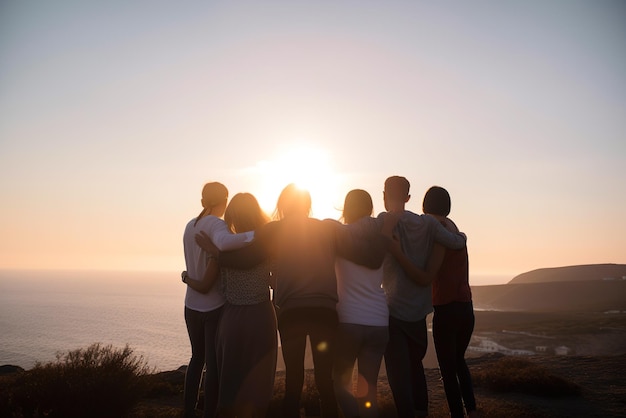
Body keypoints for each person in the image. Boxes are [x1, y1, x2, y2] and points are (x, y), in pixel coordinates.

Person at [196, 183, 395, 418]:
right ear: (308, 205)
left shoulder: (275, 230)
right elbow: (368, 257)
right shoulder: (326, 228)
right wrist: (384, 234)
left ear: (282, 204)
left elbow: (247, 258)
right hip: (324, 312)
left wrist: (216, 252)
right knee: (325, 381)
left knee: (293, 380)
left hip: (291, 313)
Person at [378, 176, 467, 418]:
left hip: (393, 310)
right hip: (419, 313)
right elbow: (456, 242)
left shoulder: (383, 221)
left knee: (398, 375)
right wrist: (464, 237)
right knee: (416, 368)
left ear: (384, 195)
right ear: (408, 198)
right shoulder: (427, 224)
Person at [184, 192, 277, 418]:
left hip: (232, 318)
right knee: (260, 377)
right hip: (261, 315)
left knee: (230, 378)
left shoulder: (222, 248)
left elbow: (214, 281)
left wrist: (191, 273)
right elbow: (274, 279)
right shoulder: (267, 243)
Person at [332, 189, 391, 418]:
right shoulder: (381, 239)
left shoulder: (340, 236)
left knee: (341, 385)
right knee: (369, 392)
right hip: (378, 321)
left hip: (348, 320)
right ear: (370, 209)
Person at [422, 186, 478, 418]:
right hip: (466, 309)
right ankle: (472, 410)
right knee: (458, 362)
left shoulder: (435, 231)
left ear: (425, 207)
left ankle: (457, 413)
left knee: (447, 368)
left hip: (446, 310)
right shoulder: (455, 231)